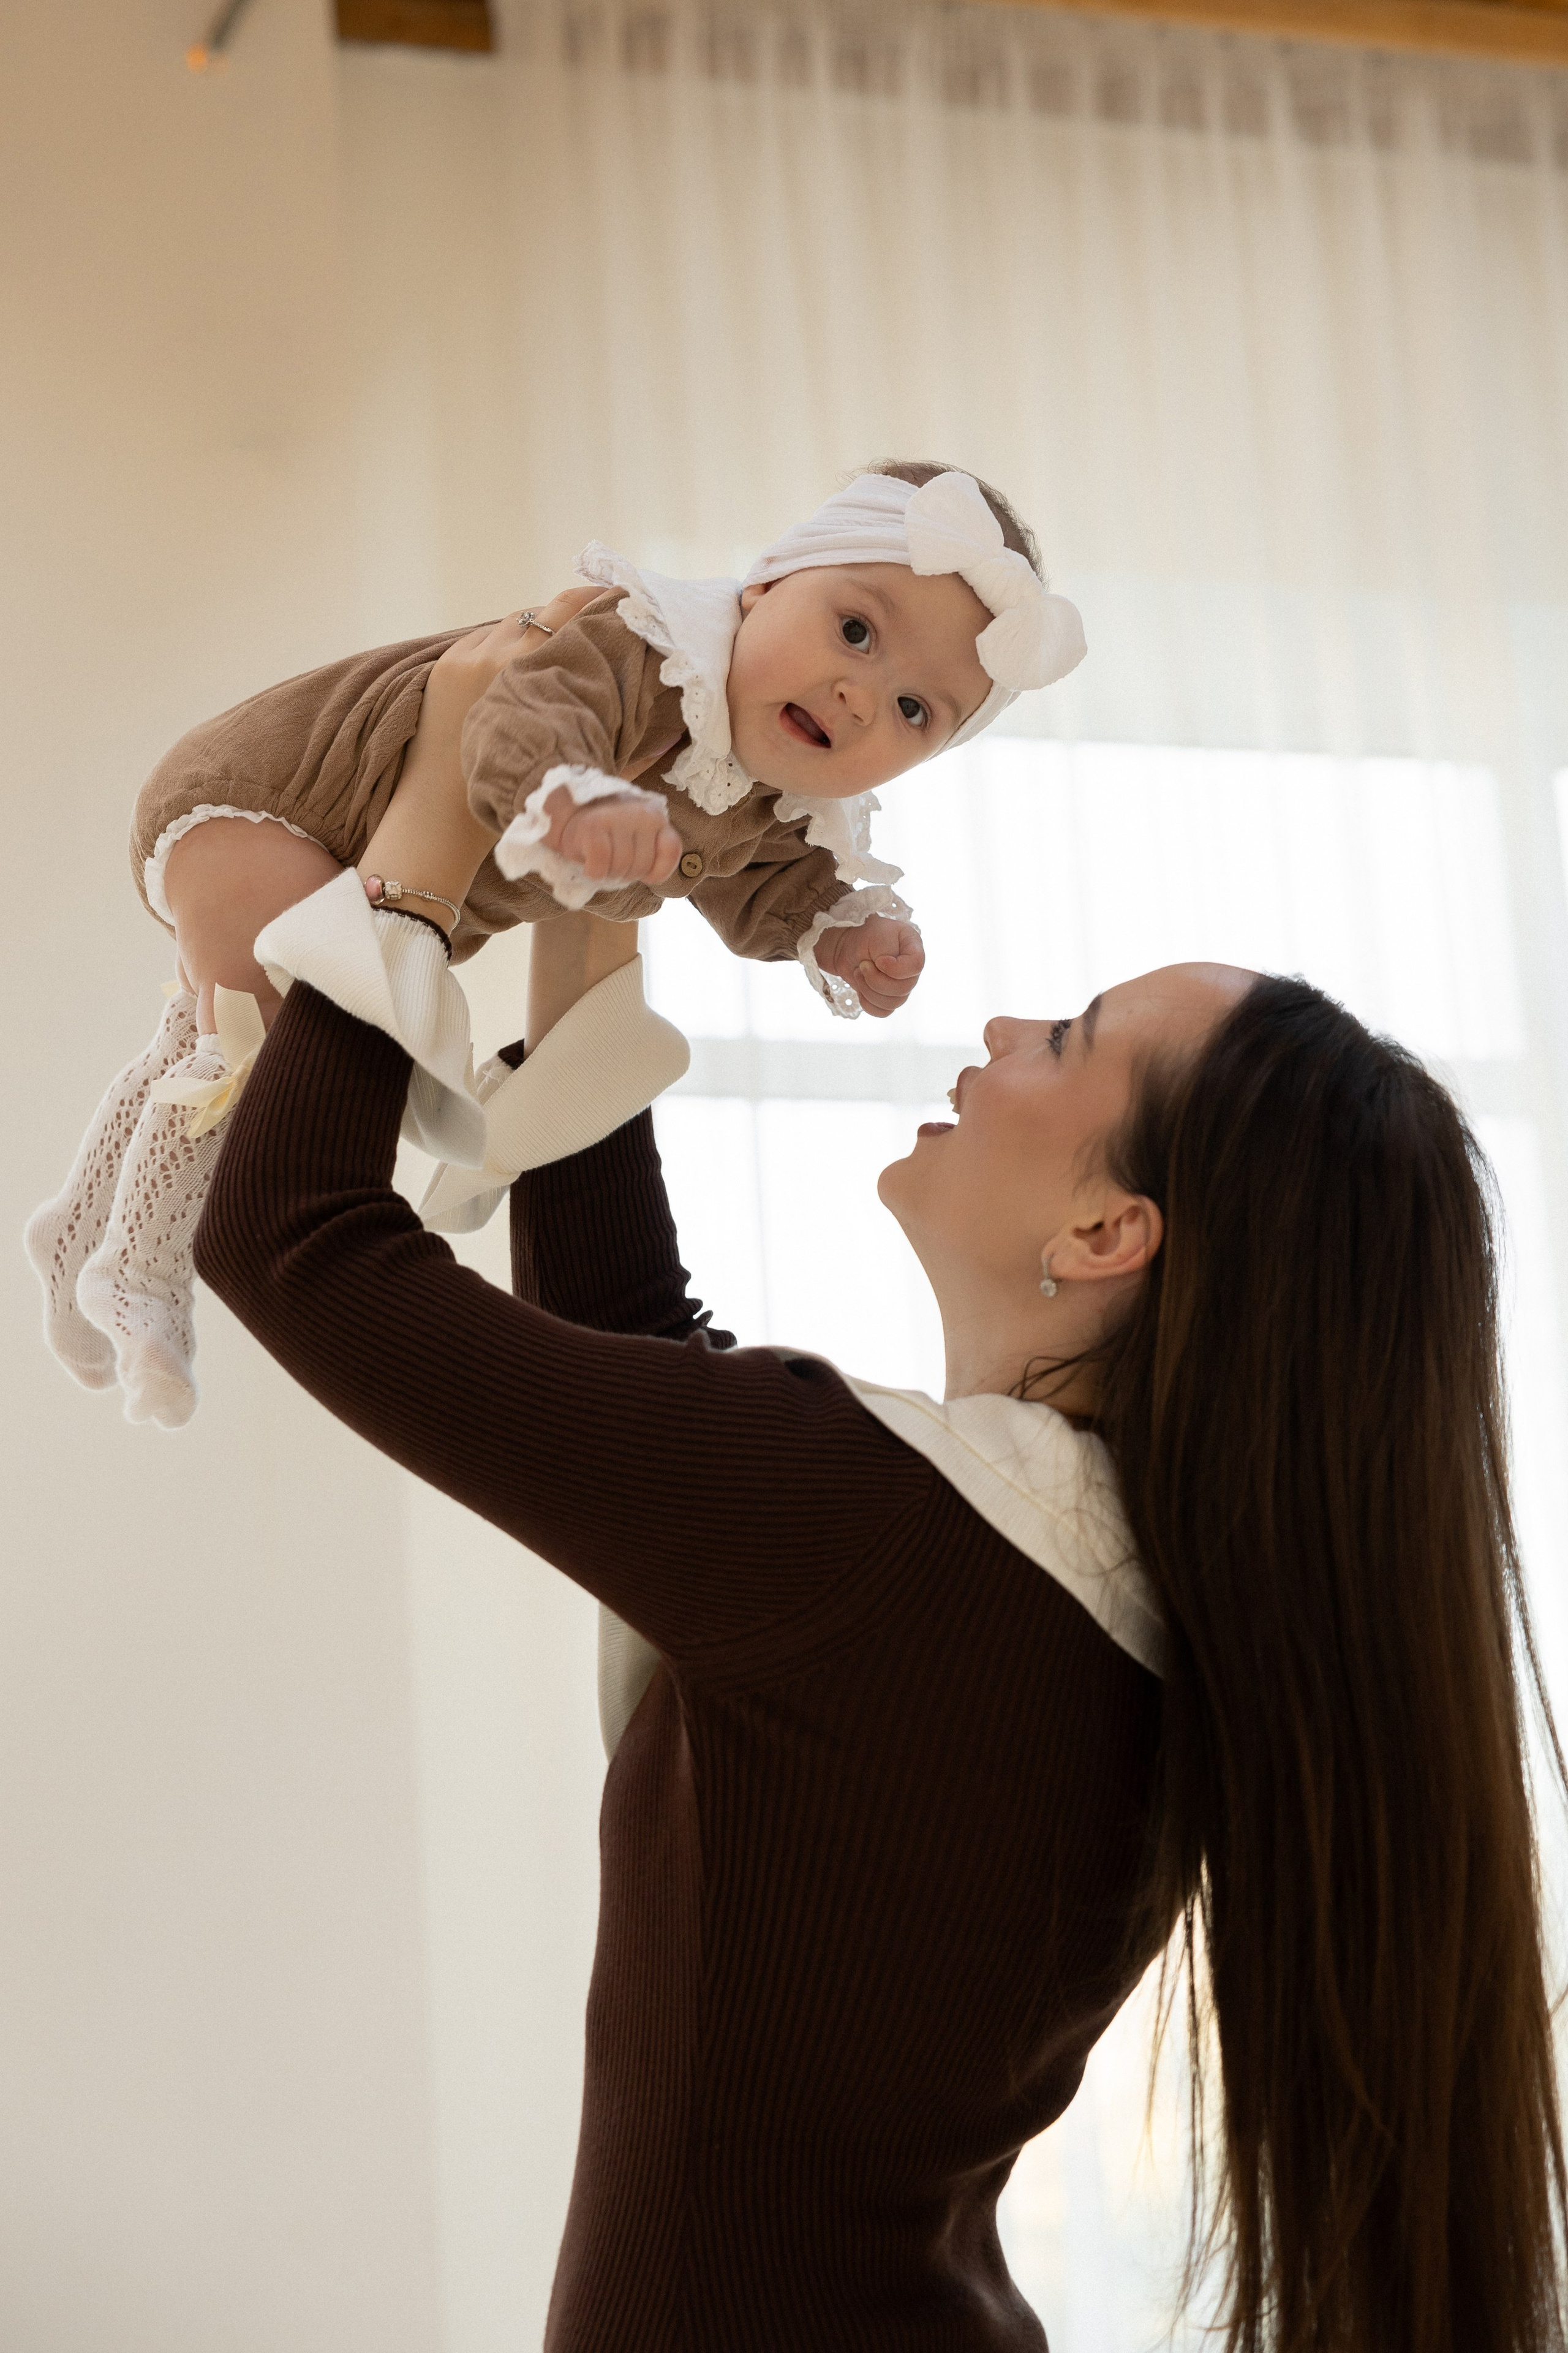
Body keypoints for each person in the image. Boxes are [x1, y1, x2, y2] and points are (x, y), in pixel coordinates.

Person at [192, 877, 1567, 2343]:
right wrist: (587, 913)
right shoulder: (1121, 1605)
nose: (997, 1026)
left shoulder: (867, 1526)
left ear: (1110, 1228)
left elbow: (289, 1235)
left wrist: (416, 868)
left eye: (1062, 1035)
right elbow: (639, 1372)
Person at [25, 462, 1086, 1427]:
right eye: (856, 630)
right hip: (278, 801)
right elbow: (513, 718)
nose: (862, 695)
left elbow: (761, 890)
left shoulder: (765, 799)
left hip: (336, 855)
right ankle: (143, 1266)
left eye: (913, 708)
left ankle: (79, 1229)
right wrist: (573, 797)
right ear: (765, 584)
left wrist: (840, 933)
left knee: (212, 1032)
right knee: (256, 1046)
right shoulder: (639, 645)